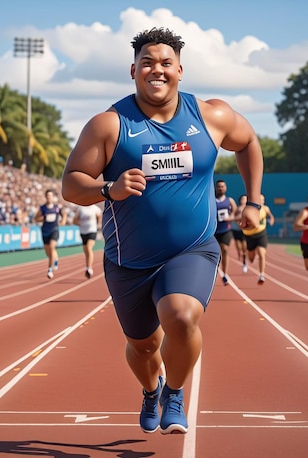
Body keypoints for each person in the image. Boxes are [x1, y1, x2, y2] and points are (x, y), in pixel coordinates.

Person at [61, 27, 263, 435]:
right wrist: (108, 189)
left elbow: (248, 143)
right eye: (148, 63)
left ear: (180, 71)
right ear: (133, 70)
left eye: (165, 63)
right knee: (144, 347)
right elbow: (71, 184)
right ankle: (151, 390)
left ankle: (173, 391)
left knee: (181, 315)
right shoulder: (109, 125)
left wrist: (254, 199)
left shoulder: (211, 115)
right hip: (129, 259)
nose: (157, 70)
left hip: (192, 248)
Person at [242, 194, 275, 284]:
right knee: (251, 258)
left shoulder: (266, 208)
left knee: (261, 253)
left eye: (263, 199)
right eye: (260, 199)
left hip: (261, 234)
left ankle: (261, 275)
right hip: (249, 236)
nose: (262, 201)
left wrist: (271, 220)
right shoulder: (250, 209)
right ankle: (250, 253)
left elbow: (271, 216)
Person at [34, 189, 66, 279]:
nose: (49, 197)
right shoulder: (43, 208)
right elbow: (36, 219)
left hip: (54, 230)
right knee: (49, 253)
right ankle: (55, 259)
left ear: (53, 197)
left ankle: (49, 270)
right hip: (45, 231)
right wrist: (44, 218)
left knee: (52, 247)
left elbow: (64, 214)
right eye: (47, 196)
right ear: (46, 197)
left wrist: (63, 221)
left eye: (50, 196)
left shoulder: (57, 207)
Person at [214, 179, 237, 285]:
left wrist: (230, 218)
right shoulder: (212, 200)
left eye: (222, 186)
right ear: (216, 188)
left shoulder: (230, 200)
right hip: (214, 231)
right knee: (216, 253)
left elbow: (235, 213)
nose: (220, 188)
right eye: (219, 186)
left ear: (225, 188)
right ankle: (215, 272)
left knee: (225, 249)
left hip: (226, 230)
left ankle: (225, 273)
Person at [73, 203, 102, 278]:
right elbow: (74, 220)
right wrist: (80, 224)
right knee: (86, 250)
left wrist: (98, 223)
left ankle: (89, 268)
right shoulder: (81, 208)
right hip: (83, 232)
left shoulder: (95, 208)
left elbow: (99, 216)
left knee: (89, 248)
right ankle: (87, 267)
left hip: (92, 231)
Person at [231, 195, 248, 273]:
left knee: (244, 247)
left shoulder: (248, 209)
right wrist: (238, 223)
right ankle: (239, 253)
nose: (243, 200)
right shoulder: (237, 209)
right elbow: (233, 217)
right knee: (238, 245)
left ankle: (244, 262)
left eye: (245, 199)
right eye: (242, 199)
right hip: (236, 229)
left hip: (245, 230)